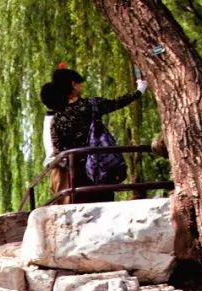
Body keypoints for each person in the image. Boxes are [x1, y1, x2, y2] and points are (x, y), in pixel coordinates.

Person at [49, 67, 147, 203]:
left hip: (75, 175)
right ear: (73, 84)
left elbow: (57, 149)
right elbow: (117, 102)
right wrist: (139, 90)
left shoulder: (56, 118)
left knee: (80, 207)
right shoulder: (92, 105)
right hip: (100, 168)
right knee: (104, 204)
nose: (81, 86)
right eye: (79, 83)